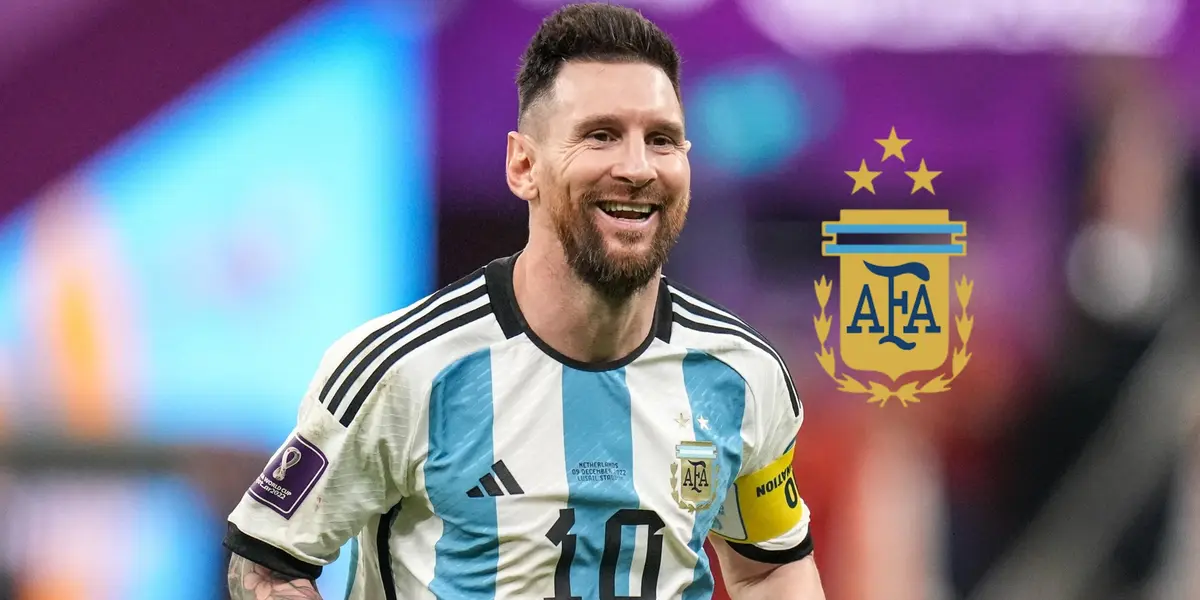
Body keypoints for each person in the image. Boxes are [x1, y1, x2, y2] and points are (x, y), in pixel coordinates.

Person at [223, 3, 826, 598]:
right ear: (523, 165)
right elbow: (268, 563)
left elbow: (770, 566)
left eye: (662, 140)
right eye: (601, 135)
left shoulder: (742, 377)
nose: (638, 167)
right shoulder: (400, 371)